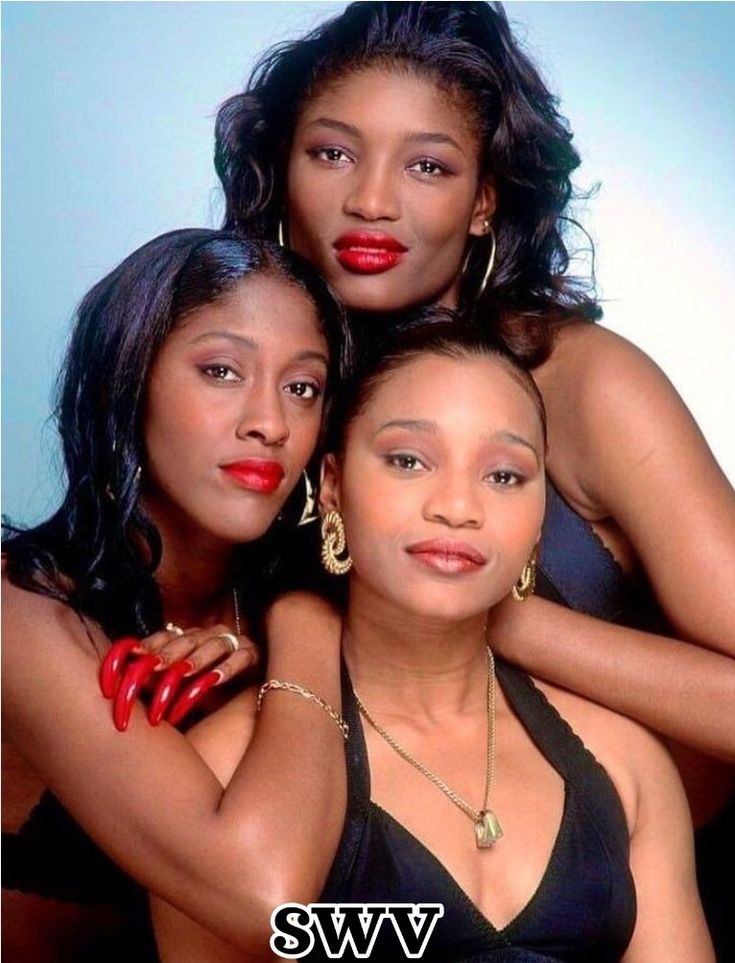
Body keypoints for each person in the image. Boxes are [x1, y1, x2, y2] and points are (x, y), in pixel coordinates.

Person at [210, 2, 735, 953]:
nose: (371, 201)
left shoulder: (580, 383)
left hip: (650, 899)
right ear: (280, 172)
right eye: (331, 154)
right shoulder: (272, 394)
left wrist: (504, 616)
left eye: (428, 165)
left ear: (484, 197)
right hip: (373, 899)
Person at [150, 318, 714, 962]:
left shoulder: (626, 765)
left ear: (537, 526)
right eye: (408, 460)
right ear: (332, 486)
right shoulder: (221, 773)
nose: (457, 505)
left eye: (504, 475)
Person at [2, 228, 353, 959]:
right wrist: (310, 627)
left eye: (302, 386)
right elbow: (271, 904)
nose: (268, 422)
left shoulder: (280, 608)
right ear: (125, 378)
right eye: (222, 370)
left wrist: (287, 630)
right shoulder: (21, 611)